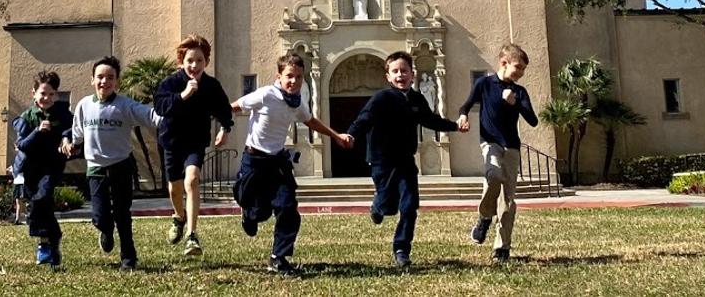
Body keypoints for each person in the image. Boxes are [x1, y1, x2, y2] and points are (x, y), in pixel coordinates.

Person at [231, 52, 354, 276]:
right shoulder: (265, 94)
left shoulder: (297, 102)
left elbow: (310, 121)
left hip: (277, 161)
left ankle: (279, 258)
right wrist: (217, 122)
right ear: (279, 76)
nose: (294, 81)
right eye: (289, 76)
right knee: (259, 212)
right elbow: (235, 106)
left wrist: (336, 136)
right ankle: (248, 212)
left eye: (298, 77)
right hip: (255, 160)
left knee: (288, 207)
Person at [346, 50, 458, 270]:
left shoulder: (417, 99)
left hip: (406, 161)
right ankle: (377, 207)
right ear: (387, 76)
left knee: (409, 206)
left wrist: (454, 126)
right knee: (387, 206)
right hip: (382, 161)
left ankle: (401, 249)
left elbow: (430, 120)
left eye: (404, 71)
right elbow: (364, 119)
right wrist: (350, 134)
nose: (400, 75)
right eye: (395, 71)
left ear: (412, 75)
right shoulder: (382, 98)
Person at [65, 55, 159, 272]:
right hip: (95, 167)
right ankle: (105, 230)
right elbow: (77, 133)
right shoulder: (84, 105)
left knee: (122, 214)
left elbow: (150, 116)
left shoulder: (125, 105)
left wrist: (172, 111)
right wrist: (72, 145)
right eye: (100, 77)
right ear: (92, 80)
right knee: (99, 216)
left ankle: (129, 258)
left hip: (121, 166)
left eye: (110, 77)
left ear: (117, 81)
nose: (104, 82)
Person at [457, 42, 539, 264]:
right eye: (518, 67)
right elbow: (466, 105)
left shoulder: (519, 92)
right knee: (492, 176)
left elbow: (533, 120)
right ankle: (484, 217)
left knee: (508, 201)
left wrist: (516, 104)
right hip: (490, 143)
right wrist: (463, 117)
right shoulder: (484, 84)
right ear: (503, 63)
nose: (520, 73)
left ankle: (502, 248)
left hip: (511, 147)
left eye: (523, 69)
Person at [153, 33, 234, 257]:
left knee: (192, 179)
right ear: (181, 61)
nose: (194, 65)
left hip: (195, 142)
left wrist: (225, 129)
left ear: (206, 61)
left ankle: (192, 235)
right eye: (190, 60)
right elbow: (160, 106)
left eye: (199, 60)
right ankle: (179, 217)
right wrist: (183, 95)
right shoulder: (171, 83)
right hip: (171, 141)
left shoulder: (211, 85)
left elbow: (224, 110)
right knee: (174, 188)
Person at [13, 69, 73, 268]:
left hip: (52, 166)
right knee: (39, 205)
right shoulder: (27, 117)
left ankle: (44, 244)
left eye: (51, 94)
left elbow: (73, 128)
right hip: (31, 168)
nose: (46, 98)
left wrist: (66, 137)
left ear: (56, 94)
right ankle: (53, 240)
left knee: (43, 196)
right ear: (34, 93)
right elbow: (22, 145)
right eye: (42, 93)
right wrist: (38, 132)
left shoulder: (62, 114)